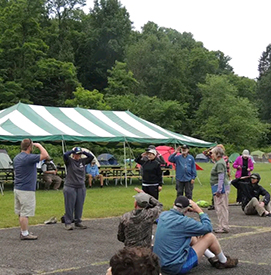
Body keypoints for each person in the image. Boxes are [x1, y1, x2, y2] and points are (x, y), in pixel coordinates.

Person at [153, 196, 238, 275]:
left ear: (173, 205)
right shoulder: (184, 222)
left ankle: (212, 257)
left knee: (192, 236)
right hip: (175, 268)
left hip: (160, 264)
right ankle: (224, 261)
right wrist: (199, 211)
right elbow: (208, 228)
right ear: (186, 210)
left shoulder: (163, 215)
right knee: (210, 237)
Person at [13, 138, 49, 240]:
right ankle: (24, 234)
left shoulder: (17, 158)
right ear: (30, 147)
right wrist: (39, 145)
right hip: (26, 189)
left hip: (18, 187)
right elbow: (45, 155)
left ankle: (24, 230)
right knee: (25, 213)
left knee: (21, 211)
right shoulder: (28, 158)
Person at [63, 146, 93, 230]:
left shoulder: (82, 161)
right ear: (73, 155)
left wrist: (83, 151)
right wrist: (72, 151)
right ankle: (68, 222)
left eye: (79, 155)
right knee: (69, 205)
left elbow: (91, 157)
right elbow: (65, 155)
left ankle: (78, 221)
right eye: (76, 154)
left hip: (80, 186)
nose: (78, 156)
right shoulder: (69, 161)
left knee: (79, 204)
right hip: (70, 186)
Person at [210, 146, 230, 233]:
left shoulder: (220, 163)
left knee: (221, 207)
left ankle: (224, 226)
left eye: (213, 153)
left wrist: (219, 190)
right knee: (220, 208)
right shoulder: (219, 162)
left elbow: (221, 177)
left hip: (220, 188)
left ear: (217, 154)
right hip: (218, 187)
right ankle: (222, 225)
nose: (211, 155)